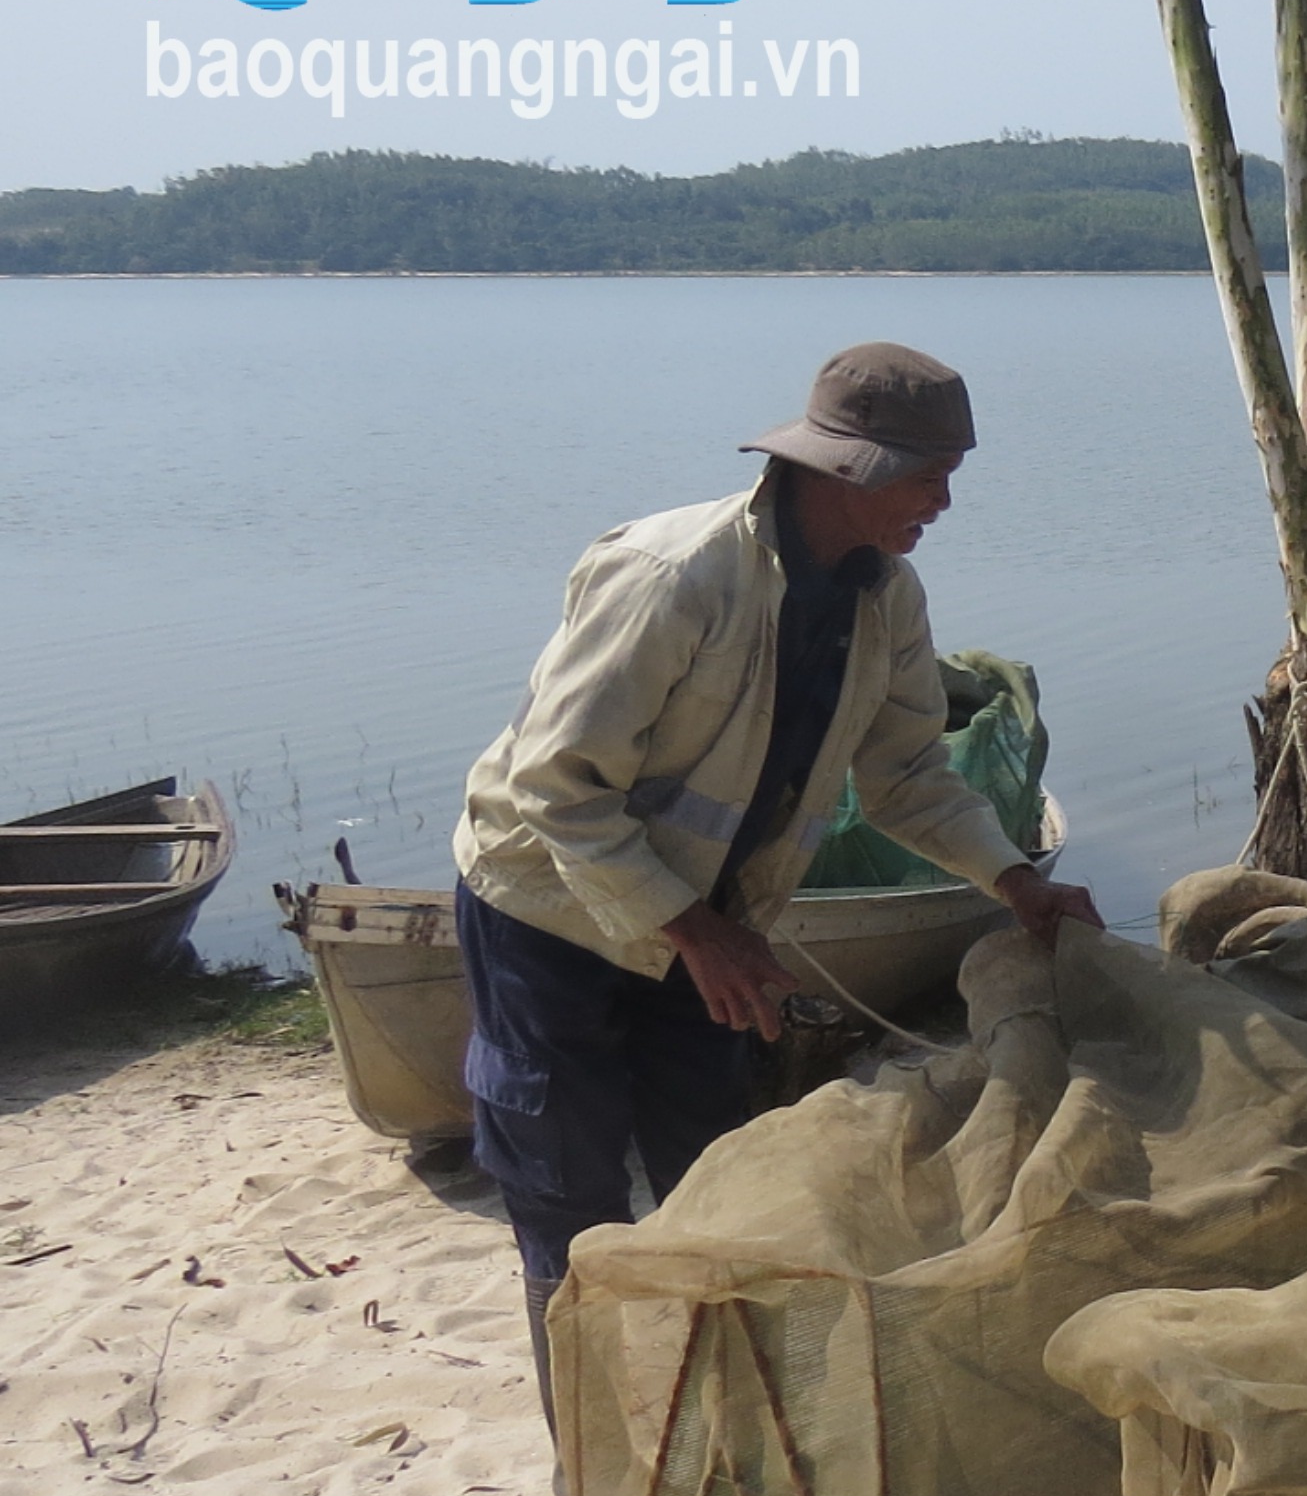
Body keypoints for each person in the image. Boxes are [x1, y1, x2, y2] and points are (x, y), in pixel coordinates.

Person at [451, 342, 1101, 1412]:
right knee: (563, 1189)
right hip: (550, 912)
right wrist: (694, 933)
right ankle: (596, 1449)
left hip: (712, 925)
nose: (943, 501)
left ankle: (738, 1413)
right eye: (928, 475)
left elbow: (905, 779)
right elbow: (553, 790)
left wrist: (1014, 881)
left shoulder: (885, 599)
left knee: (720, 1173)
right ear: (849, 467)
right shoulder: (674, 578)